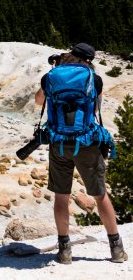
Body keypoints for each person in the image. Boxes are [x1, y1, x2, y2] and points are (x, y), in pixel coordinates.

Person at [35, 43, 128, 264]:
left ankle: (64, 251)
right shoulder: (93, 79)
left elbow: (39, 100)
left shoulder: (52, 75)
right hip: (86, 142)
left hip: (58, 143)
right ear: (90, 59)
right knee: (100, 194)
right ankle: (116, 249)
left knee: (61, 196)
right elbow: (95, 109)